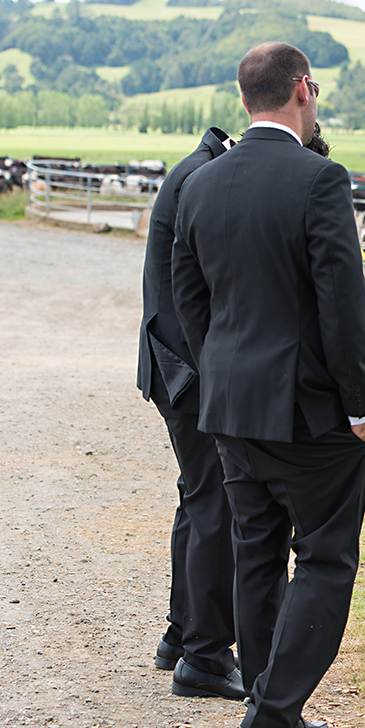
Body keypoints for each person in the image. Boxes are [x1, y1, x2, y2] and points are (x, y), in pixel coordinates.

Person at [171, 42, 365, 728]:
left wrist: (222, 372)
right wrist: (360, 403)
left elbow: (188, 298)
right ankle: (270, 717)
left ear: (243, 96)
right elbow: (342, 306)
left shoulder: (200, 181)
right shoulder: (320, 178)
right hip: (310, 414)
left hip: (229, 407)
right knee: (325, 556)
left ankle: (269, 705)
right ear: (303, 90)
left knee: (256, 553)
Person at [136, 126, 243, 699]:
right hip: (190, 370)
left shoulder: (194, 168)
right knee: (215, 503)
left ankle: (181, 634)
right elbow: (201, 286)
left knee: (198, 496)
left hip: (175, 364)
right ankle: (205, 654)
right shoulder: (204, 176)